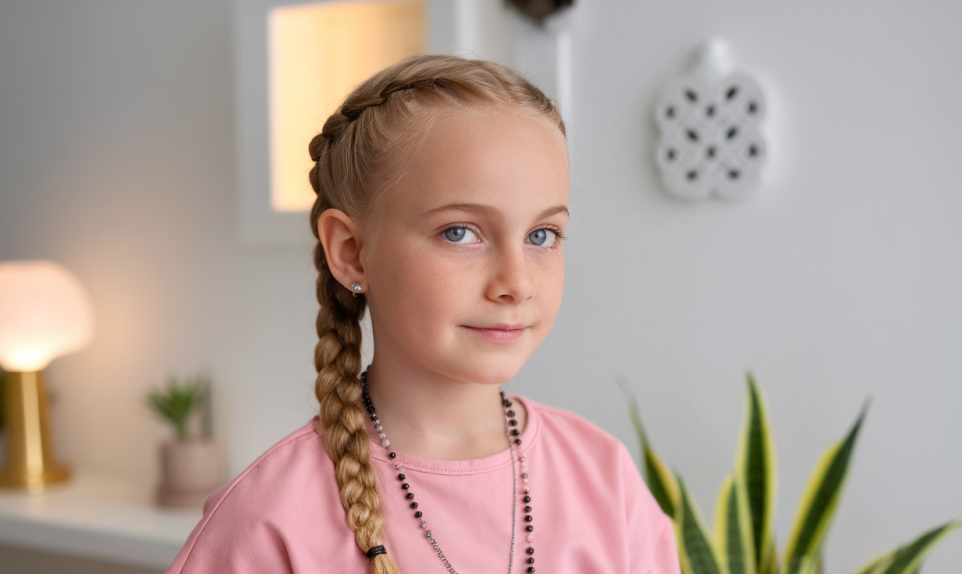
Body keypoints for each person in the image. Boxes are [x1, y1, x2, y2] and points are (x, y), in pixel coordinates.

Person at [166, 54, 680, 574]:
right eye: (460, 232)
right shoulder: (266, 524)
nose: (517, 283)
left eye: (542, 236)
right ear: (350, 251)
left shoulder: (605, 480)